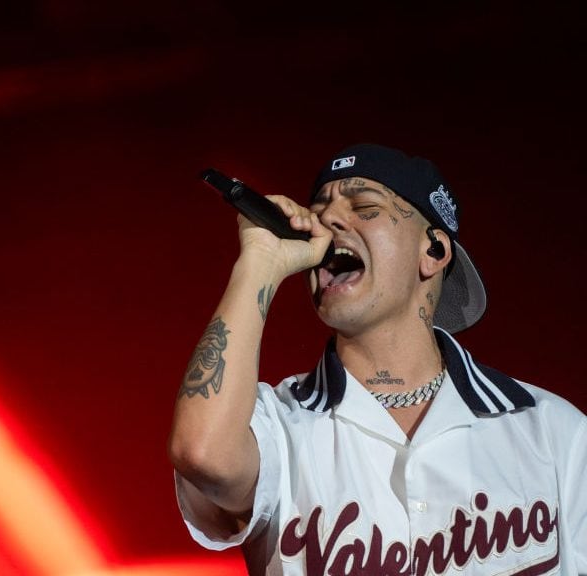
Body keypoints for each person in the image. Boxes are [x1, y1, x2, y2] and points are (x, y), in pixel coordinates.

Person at [168, 143, 586, 575]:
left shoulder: (553, 433)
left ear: (434, 252)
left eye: (364, 206)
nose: (328, 220)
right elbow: (201, 453)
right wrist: (261, 260)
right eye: (320, 209)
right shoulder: (280, 425)